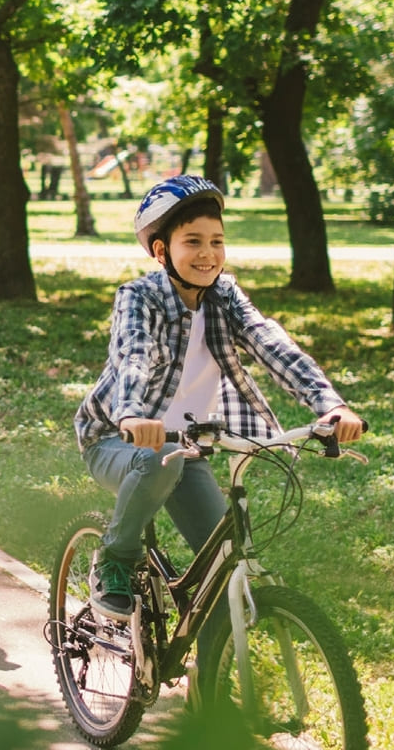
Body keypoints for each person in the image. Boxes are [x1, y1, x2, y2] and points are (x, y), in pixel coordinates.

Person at [74, 175, 363, 617]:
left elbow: (270, 342)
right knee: (155, 459)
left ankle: (206, 683)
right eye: (192, 241)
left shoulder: (225, 295)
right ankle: (114, 559)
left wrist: (329, 402)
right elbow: (134, 352)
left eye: (217, 241)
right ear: (160, 250)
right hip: (119, 439)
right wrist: (131, 414)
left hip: (185, 451)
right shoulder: (140, 297)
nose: (208, 253)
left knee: (222, 569)